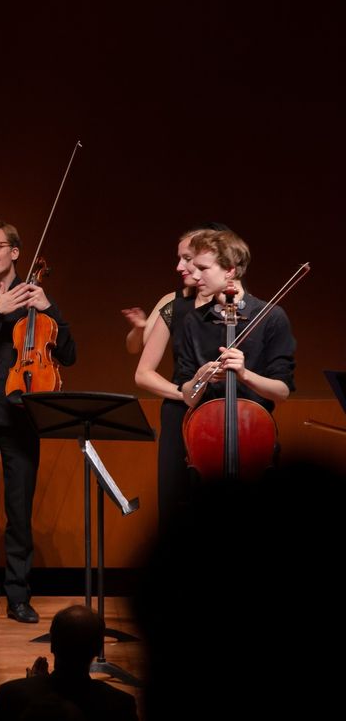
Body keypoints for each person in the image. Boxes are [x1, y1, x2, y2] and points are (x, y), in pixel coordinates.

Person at [0, 220, 76, 624]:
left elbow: (69, 354)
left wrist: (49, 308)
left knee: (19, 512)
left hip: (23, 415)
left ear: (15, 252)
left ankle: (19, 596)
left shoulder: (37, 297)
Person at [128, 223, 232, 529]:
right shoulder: (175, 307)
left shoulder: (236, 307)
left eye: (189, 259)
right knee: (176, 506)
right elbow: (143, 372)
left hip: (225, 414)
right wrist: (184, 393)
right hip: (180, 416)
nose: (181, 267)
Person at [0, 605, 139, 721]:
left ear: (52, 644)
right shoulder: (121, 704)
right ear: (98, 647)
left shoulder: (10, 694)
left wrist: (35, 684)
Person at [177, 229, 294, 422]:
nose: (195, 276)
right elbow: (189, 398)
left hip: (254, 430)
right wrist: (200, 377)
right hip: (206, 432)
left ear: (230, 270)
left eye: (203, 268)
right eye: (194, 268)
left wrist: (244, 374)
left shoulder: (271, 317)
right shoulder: (194, 320)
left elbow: (281, 393)